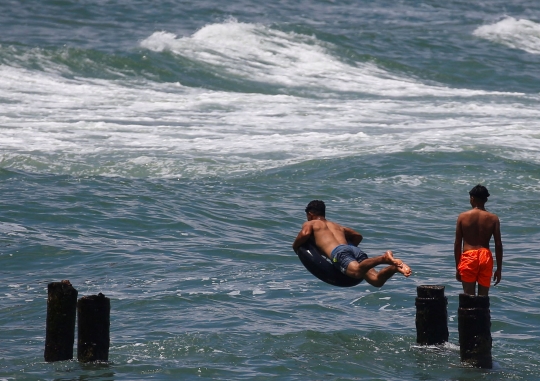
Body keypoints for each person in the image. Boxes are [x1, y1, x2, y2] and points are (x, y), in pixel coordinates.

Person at [292, 200, 411, 287]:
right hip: (353, 250)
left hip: (338, 253)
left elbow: (305, 234)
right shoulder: (337, 226)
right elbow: (357, 236)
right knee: (376, 281)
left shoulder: (311, 223)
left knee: (356, 272)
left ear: (310, 214)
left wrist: (296, 247)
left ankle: (383, 258)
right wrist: (349, 248)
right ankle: (395, 267)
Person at [454, 184, 503, 296]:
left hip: (469, 256)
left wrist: (458, 267)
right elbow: (498, 244)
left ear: (472, 198)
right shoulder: (493, 218)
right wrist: (499, 269)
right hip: (485, 256)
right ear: (485, 199)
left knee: (468, 297)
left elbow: (457, 244)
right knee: (483, 298)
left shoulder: (463, 217)